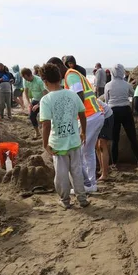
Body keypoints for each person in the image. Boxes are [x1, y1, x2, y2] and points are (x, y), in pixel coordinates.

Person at [38, 63, 89, 209]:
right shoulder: (72, 94)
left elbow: (46, 124)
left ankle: (65, 201)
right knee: (77, 171)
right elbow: (82, 114)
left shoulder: (46, 100)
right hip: (74, 140)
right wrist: (83, 131)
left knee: (61, 175)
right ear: (60, 78)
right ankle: (82, 198)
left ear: (45, 81)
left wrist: (45, 143)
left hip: (58, 143)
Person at [59, 56, 105, 192]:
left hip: (89, 116)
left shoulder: (70, 75)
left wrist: (72, 116)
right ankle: (91, 183)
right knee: (88, 151)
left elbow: (78, 95)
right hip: (95, 114)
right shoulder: (73, 74)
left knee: (77, 153)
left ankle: (85, 185)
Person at [105, 64, 138, 165]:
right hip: (126, 110)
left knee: (115, 139)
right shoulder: (126, 84)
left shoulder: (108, 85)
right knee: (132, 137)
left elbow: (107, 100)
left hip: (113, 111)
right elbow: (133, 94)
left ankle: (114, 163)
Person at [22, 67, 48, 139]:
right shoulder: (25, 80)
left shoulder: (39, 81)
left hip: (44, 100)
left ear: (30, 75)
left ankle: (46, 133)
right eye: (25, 79)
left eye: (27, 78)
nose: (26, 80)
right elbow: (26, 92)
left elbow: (45, 95)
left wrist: (38, 105)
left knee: (43, 118)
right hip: (35, 99)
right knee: (31, 116)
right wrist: (29, 103)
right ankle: (37, 132)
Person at [96, 99, 114, 181]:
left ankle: (105, 173)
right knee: (96, 145)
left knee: (102, 144)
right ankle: (102, 168)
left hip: (105, 116)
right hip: (96, 116)